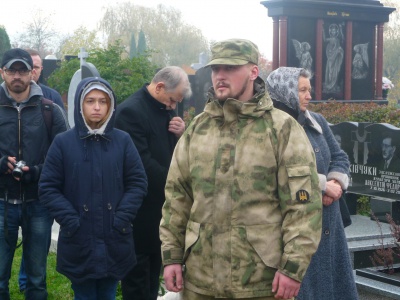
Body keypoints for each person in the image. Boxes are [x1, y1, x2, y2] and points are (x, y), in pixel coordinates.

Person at [159, 39, 322, 299]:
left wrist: (292, 268)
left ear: (253, 72)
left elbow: (302, 206)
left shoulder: (281, 129)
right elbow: (177, 197)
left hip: (259, 284)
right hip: (200, 283)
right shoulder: (198, 129)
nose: (220, 76)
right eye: (216, 69)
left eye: (230, 68)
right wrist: (171, 257)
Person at [38, 77, 148, 299]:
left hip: (114, 237)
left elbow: (137, 182)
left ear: (111, 105)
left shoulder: (123, 141)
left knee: (108, 292)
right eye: (90, 101)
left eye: (103, 101)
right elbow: (48, 187)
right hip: (80, 238)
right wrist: (71, 220)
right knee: (84, 294)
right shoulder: (63, 142)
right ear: (80, 104)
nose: (97, 107)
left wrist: (122, 217)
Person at [266, 67, 358, 300]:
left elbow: (340, 157)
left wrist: (335, 181)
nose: (309, 96)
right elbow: (276, 168)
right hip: (299, 226)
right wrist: (322, 185)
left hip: (329, 224)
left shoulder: (316, 121)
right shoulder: (270, 126)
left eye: (309, 90)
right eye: (302, 90)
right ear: (285, 91)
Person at [115, 66, 192, 300]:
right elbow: (142, 164)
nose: (172, 107)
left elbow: (173, 155)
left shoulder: (164, 108)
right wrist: (176, 187)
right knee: (137, 279)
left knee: (152, 276)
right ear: (159, 87)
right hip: (139, 211)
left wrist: (182, 134)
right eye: (171, 100)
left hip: (160, 208)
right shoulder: (130, 112)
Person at [0, 48, 69, 299]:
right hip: (1, 201)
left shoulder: (50, 109)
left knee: (37, 279)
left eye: (22, 70)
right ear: (2, 72)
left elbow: (64, 153)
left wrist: (38, 171)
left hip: (38, 202)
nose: (17, 76)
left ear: (32, 73)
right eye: (11, 70)